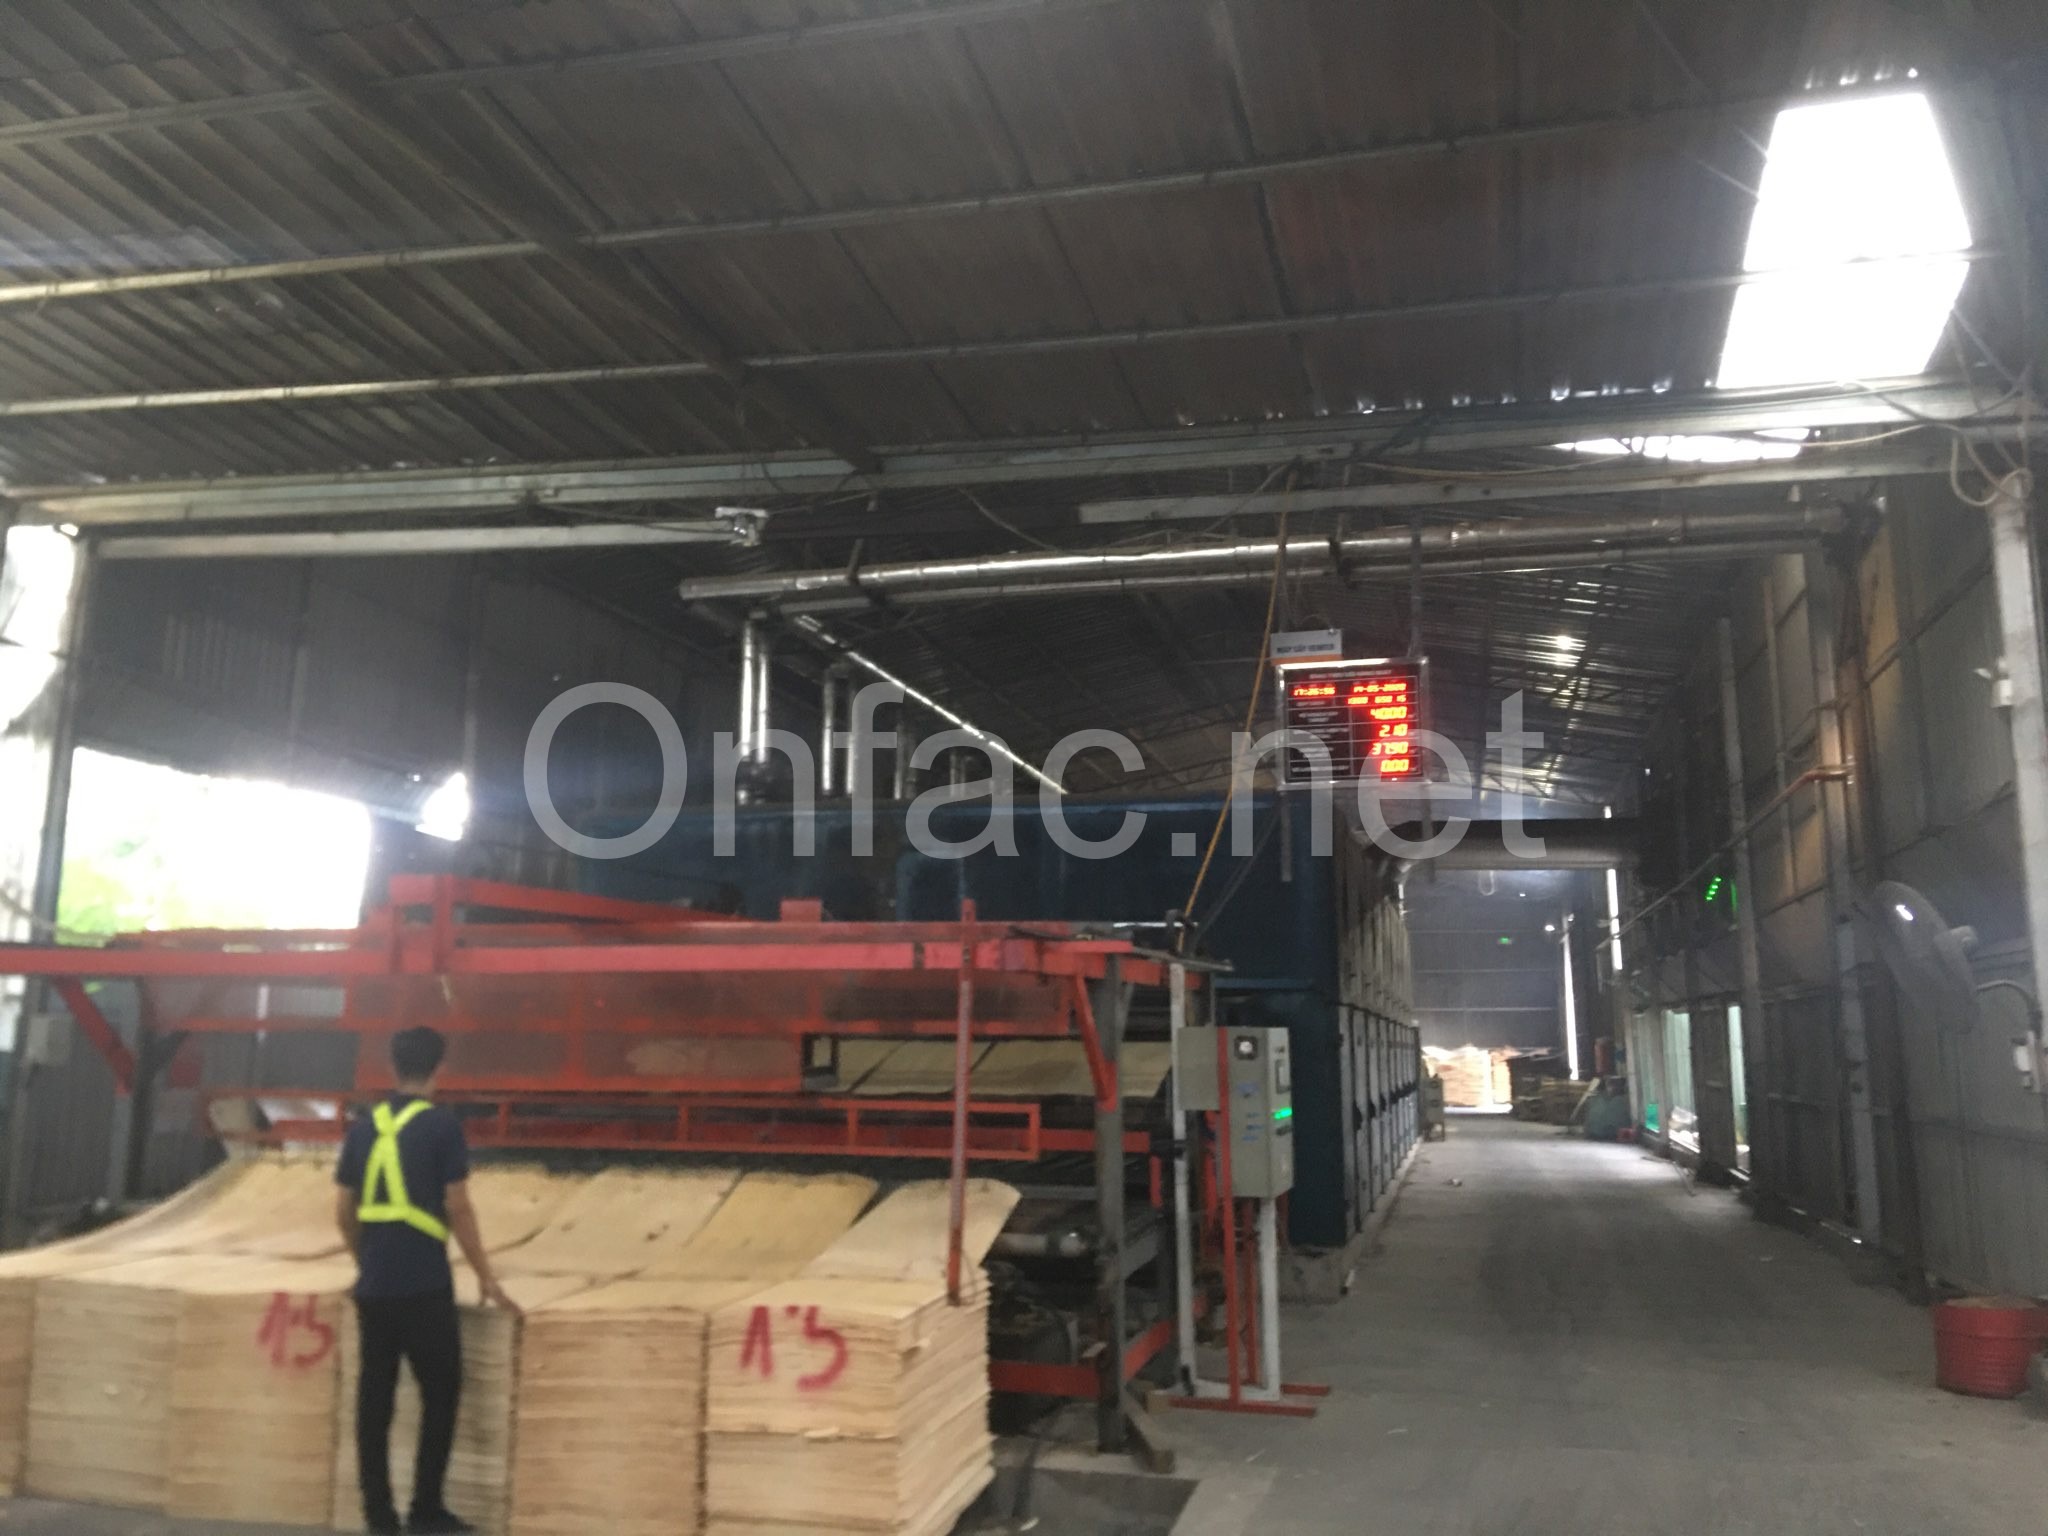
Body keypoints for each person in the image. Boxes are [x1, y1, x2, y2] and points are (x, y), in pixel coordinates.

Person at [334, 1025, 517, 1535]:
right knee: (441, 1391)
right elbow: (458, 1206)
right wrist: (485, 1276)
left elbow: (344, 1211)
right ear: (440, 1069)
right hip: (424, 1285)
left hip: (374, 1288)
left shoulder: (363, 1128)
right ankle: (426, 1510)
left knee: (375, 1401)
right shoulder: (441, 1127)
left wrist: (366, 1261)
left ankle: (379, 1518)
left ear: (392, 1067)